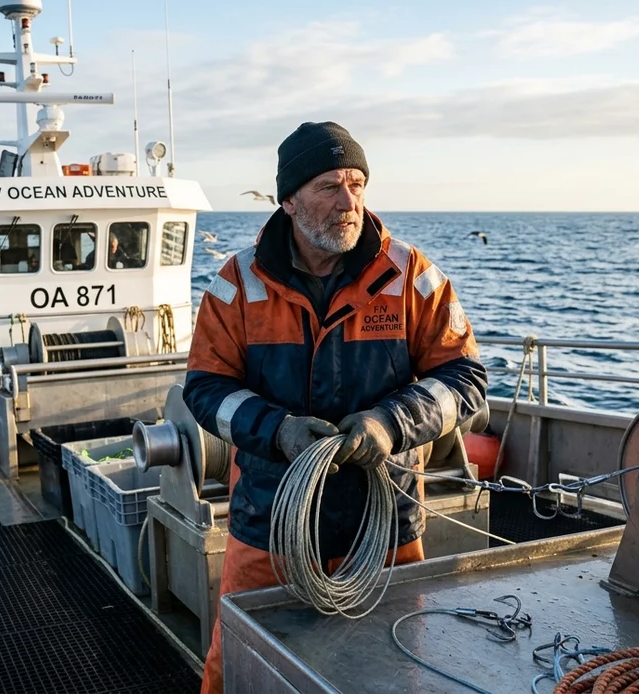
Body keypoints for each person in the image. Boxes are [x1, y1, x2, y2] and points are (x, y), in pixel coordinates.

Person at [183, 121, 487, 694]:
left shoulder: (409, 275)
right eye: (328, 186)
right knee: (237, 669)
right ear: (290, 200)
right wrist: (279, 431)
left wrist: (389, 425)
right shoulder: (237, 284)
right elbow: (205, 388)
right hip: (270, 524)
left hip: (386, 524)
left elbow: (466, 377)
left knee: (395, 666)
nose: (348, 202)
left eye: (356, 183)